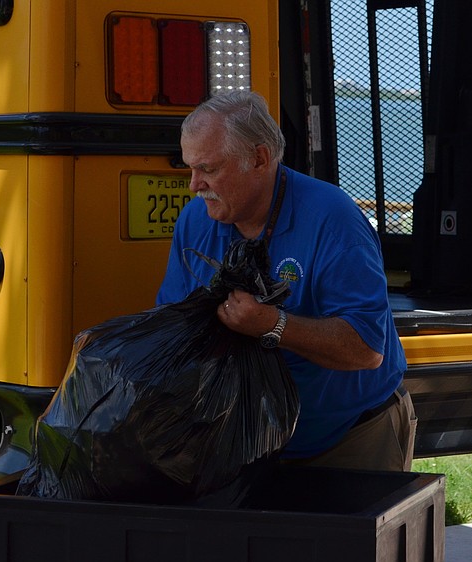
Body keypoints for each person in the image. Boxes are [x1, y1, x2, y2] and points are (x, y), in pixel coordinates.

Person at [156, 90, 416, 472]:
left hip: (352, 435)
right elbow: (172, 326)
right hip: (250, 439)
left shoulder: (332, 219)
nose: (194, 185)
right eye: (189, 168)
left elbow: (366, 348)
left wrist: (273, 325)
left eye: (209, 169)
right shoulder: (195, 222)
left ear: (259, 159)